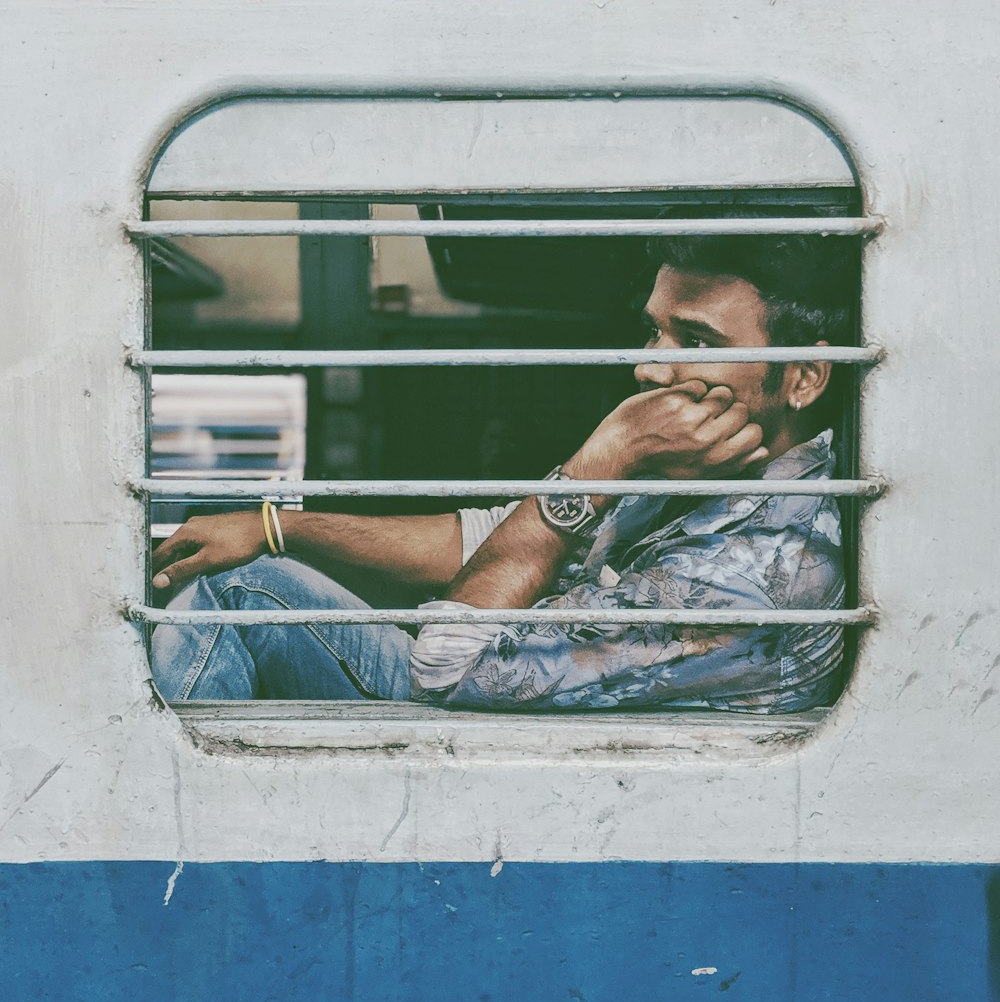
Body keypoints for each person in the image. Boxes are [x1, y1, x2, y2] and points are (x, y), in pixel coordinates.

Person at [150, 233, 851, 713]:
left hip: (498, 753)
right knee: (239, 573)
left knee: (238, 595)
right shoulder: (702, 472)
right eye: (655, 331)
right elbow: (502, 540)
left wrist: (599, 460)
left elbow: (445, 668)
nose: (650, 366)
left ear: (805, 378)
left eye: (696, 341)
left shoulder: (760, 572)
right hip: (497, 696)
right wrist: (277, 527)